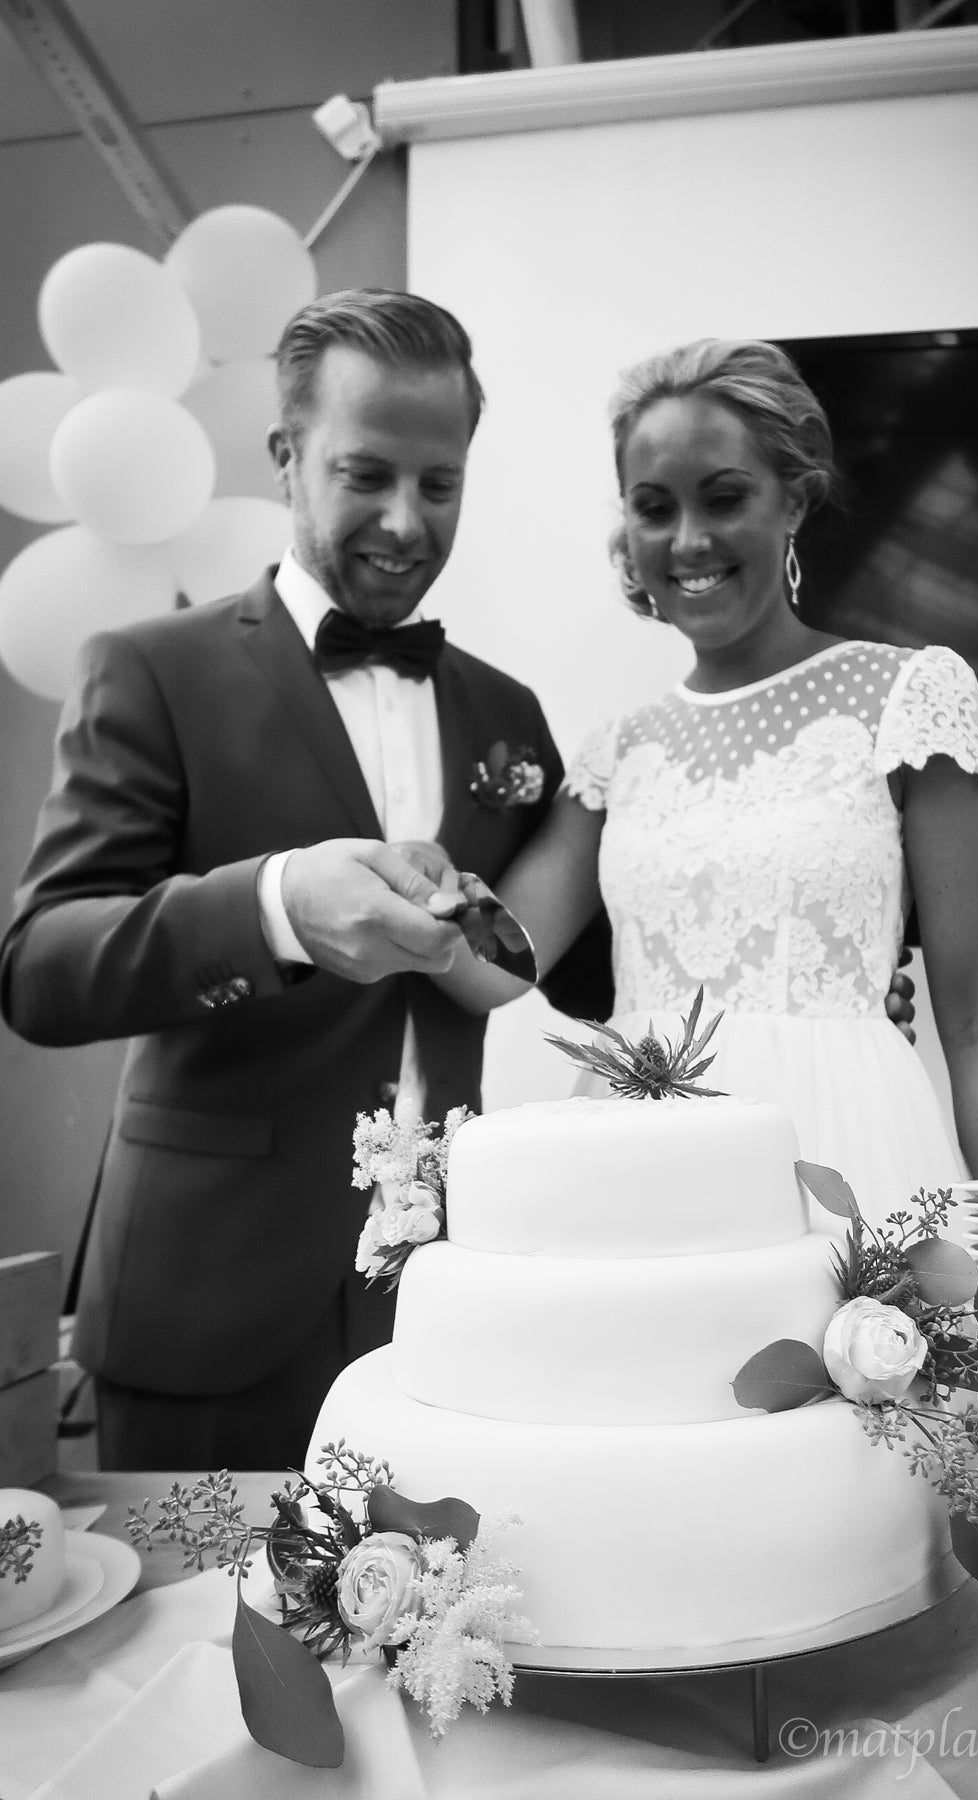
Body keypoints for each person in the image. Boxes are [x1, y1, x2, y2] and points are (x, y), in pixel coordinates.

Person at [0, 291, 578, 1471]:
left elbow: (570, 955)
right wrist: (272, 909)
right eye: (366, 474)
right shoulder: (150, 669)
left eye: (441, 483)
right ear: (284, 457)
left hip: (450, 1311)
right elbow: (40, 969)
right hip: (210, 1302)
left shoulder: (506, 711)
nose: (406, 521)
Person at [427, 337, 978, 1227]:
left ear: (794, 497)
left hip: (846, 1150)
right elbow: (490, 970)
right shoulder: (618, 754)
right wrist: (415, 881)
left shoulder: (912, 697)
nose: (689, 540)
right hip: (639, 1168)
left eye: (723, 498)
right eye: (654, 508)